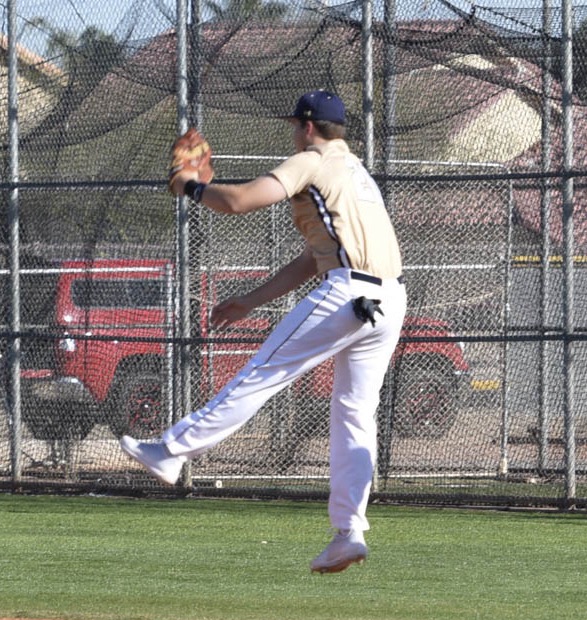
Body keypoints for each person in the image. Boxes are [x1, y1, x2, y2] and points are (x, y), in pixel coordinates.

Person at [120, 90, 407, 575]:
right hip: (389, 301)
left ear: (309, 128)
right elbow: (312, 259)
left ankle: (168, 451)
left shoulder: (311, 161)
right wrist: (251, 301)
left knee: (261, 375)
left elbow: (237, 202)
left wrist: (187, 185)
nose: (294, 132)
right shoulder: (357, 173)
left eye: (296, 124)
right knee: (355, 414)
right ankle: (349, 532)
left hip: (348, 293)